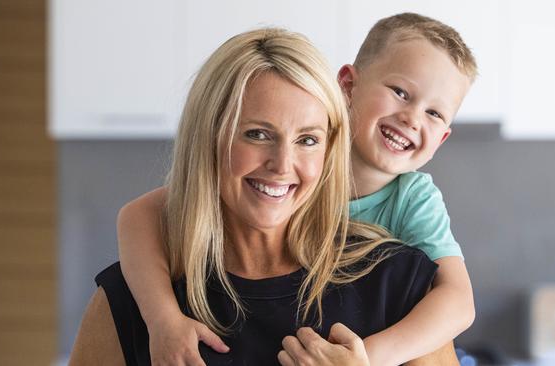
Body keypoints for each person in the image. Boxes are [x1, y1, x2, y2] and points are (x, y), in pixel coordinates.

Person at [69, 28, 458, 366]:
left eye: (307, 140)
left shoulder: (397, 285)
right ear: (208, 139)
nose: (283, 164)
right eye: (257, 134)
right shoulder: (137, 301)